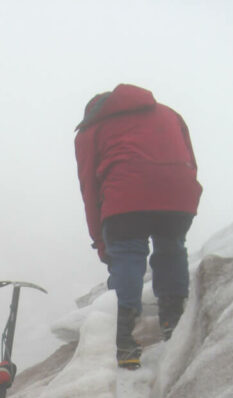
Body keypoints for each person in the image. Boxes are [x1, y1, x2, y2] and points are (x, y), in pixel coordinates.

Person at [74, 84, 202, 369]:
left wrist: (101, 242)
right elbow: (190, 160)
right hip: (178, 194)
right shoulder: (170, 114)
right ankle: (173, 321)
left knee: (128, 256)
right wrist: (188, 194)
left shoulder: (90, 131)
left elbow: (89, 189)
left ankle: (127, 341)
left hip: (125, 200)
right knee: (171, 249)